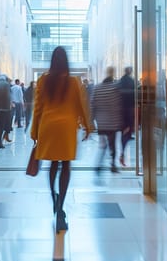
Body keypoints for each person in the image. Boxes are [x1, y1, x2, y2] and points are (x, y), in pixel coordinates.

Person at [31, 46, 92, 233]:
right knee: (65, 166)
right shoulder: (74, 82)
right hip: (66, 129)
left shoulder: (43, 80)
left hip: (48, 127)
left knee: (53, 166)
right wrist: (88, 127)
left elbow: (38, 108)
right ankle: (60, 208)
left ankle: (54, 199)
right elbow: (81, 105)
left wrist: (35, 132)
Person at [91, 67, 122, 173]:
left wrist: (92, 119)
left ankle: (98, 164)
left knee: (103, 144)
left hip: (101, 121)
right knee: (112, 144)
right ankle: (113, 165)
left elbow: (93, 104)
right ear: (113, 74)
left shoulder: (97, 88)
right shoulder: (115, 88)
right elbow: (118, 105)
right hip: (112, 122)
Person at [118, 66, 135, 166]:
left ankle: (122, 153)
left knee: (124, 130)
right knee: (127, 130)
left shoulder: (120, 81)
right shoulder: (131, 81)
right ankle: (122, 153)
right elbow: (133, 96)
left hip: (120, 110)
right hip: (129, 110)